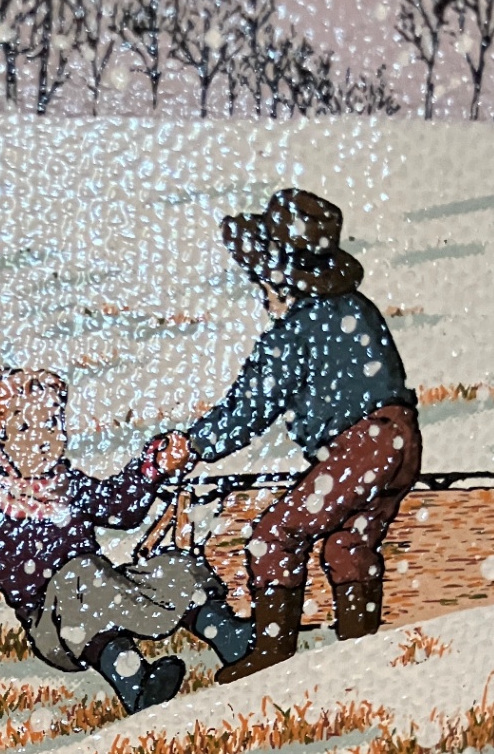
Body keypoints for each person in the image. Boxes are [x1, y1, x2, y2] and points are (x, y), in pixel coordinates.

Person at [156, 188, 422, 683]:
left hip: (362, 447)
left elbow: (250, 407)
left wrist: (193, 445)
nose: (260, 292)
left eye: (262, 279)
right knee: (348, 545)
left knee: (274, 536)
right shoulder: (357, 310)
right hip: (401, 441)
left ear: (280, 278)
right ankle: (361, 650)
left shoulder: (296, 330)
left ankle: (273, 651)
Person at [0, 368, 253, 716]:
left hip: (102, 591)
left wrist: (149, 469)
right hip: (55, 624)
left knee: (169, 566)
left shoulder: (68, 485)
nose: (42, 439)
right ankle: (135, 681)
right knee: (81, 575)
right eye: (24, 428)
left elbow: (119, 509)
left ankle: (228, 635)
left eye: (51, 423)